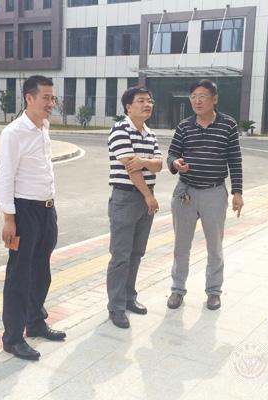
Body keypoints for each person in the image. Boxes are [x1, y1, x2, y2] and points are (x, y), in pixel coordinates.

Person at [0, 75, 66, 361]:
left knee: (41, 271)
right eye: (46, 97)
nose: (51, 103)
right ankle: (12, 338)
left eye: (53, 97)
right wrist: (9, 219)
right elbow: (5, 177)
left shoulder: (43, 127)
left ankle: (35, 322)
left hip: (47, 210)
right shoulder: (14, 132)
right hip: (24, 212)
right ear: (29, 98)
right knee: (19, 275)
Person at [166, 79, 244, 311]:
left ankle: (213, 292)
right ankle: (177, 290)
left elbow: (235, 160)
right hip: (186, 192)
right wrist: (175, 163)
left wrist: (237, 192)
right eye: (193, 97)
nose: (197, 101)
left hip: (214, 193)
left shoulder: (228, 125)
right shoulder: (184, 126)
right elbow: (171, 154)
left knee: (215, 246)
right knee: (181, 246)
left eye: (202, 96)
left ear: (214, 99)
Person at [106, 86, 162, 329]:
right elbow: (131, 168)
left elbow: (159, 165)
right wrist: (148, 195)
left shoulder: (150, 133)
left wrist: (144, 161)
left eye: (149, 101)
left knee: (137, 252)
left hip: (145, 200)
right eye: (141, 101)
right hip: (126, 198)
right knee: (120, 256)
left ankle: (129, 297)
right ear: (128, 107)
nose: (147, 104)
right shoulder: (120, 130)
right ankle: (116, 306)